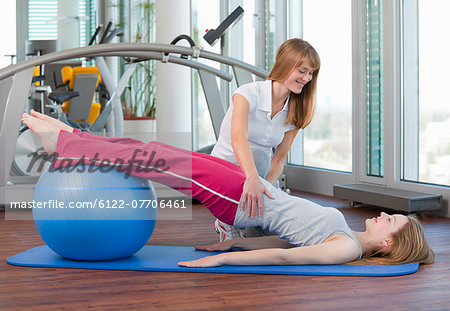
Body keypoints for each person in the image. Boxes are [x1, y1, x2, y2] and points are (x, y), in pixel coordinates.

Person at [22, 110, 435, 267]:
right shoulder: (343, 230)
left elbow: (285, 258)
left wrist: (223, 263)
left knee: (156, 160)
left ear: (388, 243)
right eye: (390, 215)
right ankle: (71, 137)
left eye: (391, 221)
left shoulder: (346, 248)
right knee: (156, 150)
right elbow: (286, 242)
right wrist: (233, 247)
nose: (383, 215)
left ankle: (63, 144)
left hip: (238, 202)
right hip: (244, 189)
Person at [210, 38, 320, 241]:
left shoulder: (296, 110)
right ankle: (225, 222)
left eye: (311, 73)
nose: (307, 78)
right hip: (226, 171)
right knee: (240, 239)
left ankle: (253, 218)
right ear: (285, 64)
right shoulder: (247, 94)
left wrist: (265, 189)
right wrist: (251, 179)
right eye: (302, 71)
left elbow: (278, 160)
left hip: (260, 178)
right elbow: (238, 138)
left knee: (275, 235)